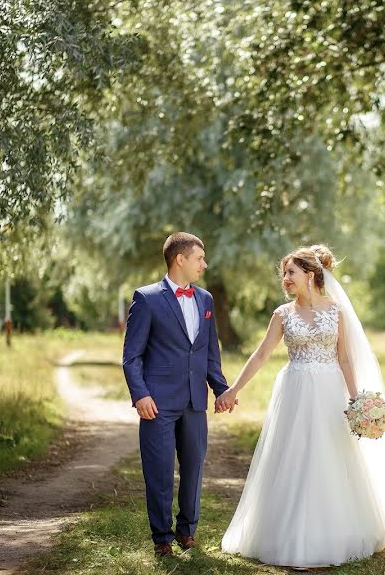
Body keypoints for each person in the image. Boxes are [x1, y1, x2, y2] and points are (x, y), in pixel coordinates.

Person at [218, 244, 385, 568]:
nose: (286, 279)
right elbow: (261, 354)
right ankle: (289, 536)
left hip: (330, 393)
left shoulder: (336, 311)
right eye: (284, 274)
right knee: (297, 456)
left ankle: (337, 533)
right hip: (296, 392)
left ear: (310, 274)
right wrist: (233, 389)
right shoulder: (282, 314)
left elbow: (344, 357)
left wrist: (356, 400)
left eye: (291, 272)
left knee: (331, 457)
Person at [122, 232, 234, 557]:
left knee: (194, 468)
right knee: (158, 473)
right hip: (156, 403)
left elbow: (210, 351)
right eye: (200, 258)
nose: (205, 264)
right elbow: (132, 356)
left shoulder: (206, 299)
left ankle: (187, 531)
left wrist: (221, 388)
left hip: (195, 401)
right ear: (180, 259)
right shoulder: (146, 298)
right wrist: (140, 394)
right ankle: (162, 539)